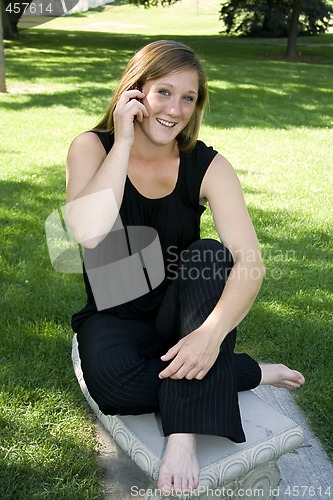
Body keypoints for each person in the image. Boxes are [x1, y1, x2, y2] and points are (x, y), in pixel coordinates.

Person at [65, 40, 305, 496]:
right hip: (114, 312)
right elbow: (89, 233)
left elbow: (251, 262)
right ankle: (246, 371)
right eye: (163, 92)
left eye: (188, 98)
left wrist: (208, 335)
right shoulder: (91, 148)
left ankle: (183, 432)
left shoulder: (209, 165)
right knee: (116, 391)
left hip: (183, 314)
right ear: (133, 93)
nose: (175, 109)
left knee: (211, 254)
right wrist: (125, 141)